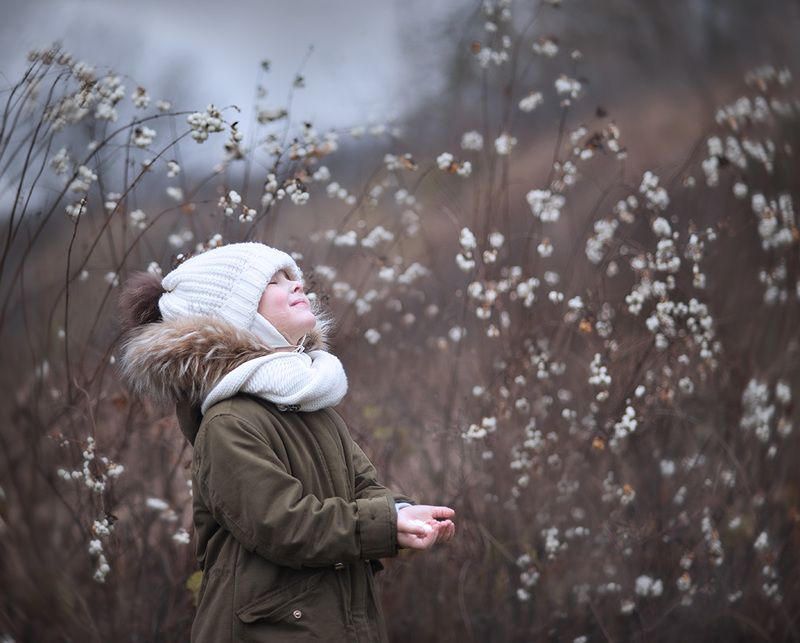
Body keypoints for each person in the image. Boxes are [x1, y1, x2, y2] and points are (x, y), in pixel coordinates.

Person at [117, 242, 455, 642]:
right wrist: (385, 525)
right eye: (273, 282)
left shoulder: (312, 405)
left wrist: (401, 513)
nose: (297, 285)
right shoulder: (229, 423)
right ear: (234, 317)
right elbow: (285, 525)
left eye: (292, 276)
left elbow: (362, 488)